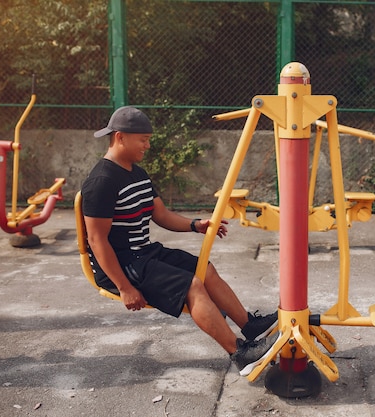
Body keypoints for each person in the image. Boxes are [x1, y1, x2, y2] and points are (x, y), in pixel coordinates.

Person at [81, 106, 278, 376]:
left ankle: (250, 325)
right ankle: (240, 352)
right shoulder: (101, 181)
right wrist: (124, 287)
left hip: (144, 254)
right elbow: (96, 240)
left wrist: (196, 225)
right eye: (143, 140)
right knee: (192, 286)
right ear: (120, 137)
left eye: (148, 139)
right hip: (121, 265)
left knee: (204, 270)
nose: (147, 146)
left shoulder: (137, 174)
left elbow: (160, 214)